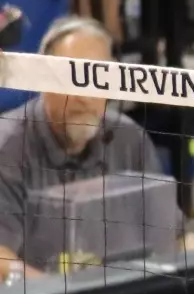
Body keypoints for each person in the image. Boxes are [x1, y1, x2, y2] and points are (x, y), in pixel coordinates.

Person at [0, 15, 184, 279]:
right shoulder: (7, 149)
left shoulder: (129, 139)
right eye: (69, 78)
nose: (83, 95)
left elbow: (172, 237)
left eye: (96, 78)